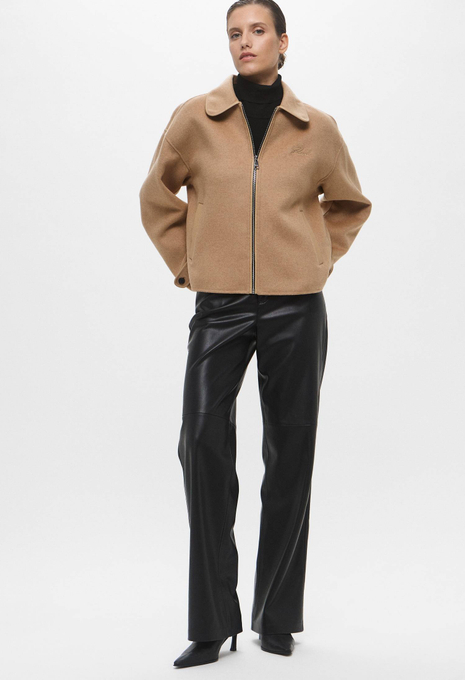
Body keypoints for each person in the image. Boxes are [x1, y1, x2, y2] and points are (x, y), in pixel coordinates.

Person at [139, 0, 372, 669]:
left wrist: (315, 259)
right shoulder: (195, 118)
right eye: (234, 33)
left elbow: (349, 204)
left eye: (257, 31)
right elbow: (156, 197)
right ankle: (213, 622)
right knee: (201, 443)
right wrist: (191, 263)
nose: (245, 42)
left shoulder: (317, 128)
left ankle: (277, 616)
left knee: (290, 455)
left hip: (296, 307)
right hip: (219, 306)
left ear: (282, 42)